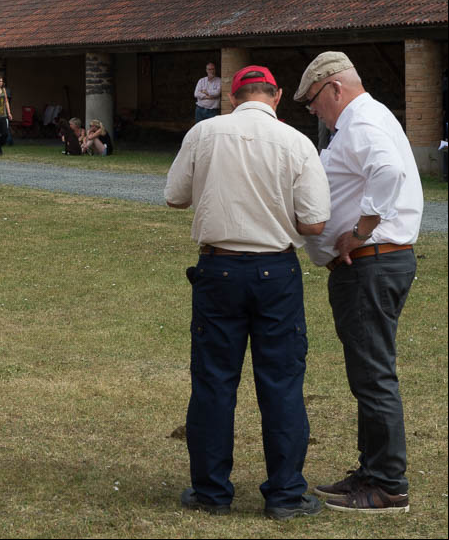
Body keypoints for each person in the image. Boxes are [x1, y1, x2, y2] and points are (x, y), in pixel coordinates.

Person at [165, 65, 331, 520]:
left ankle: (211, 492)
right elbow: (315, 222)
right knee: (281, 383)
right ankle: (284, 495)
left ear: (233, 98)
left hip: (218, 267)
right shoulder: (297, 142)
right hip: (274, 270)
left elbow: (175, 197)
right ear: (275, 96)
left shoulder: (205, 134)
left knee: (214, 381)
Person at [294, 52, 423, 514]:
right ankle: (371, 472)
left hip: (371, 259)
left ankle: (388, 485)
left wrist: (361, 229)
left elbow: (388, 171)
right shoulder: (361, 120)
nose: (312, 110)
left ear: (334, 88)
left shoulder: (362, 120)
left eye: (313, 100)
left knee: (373, 377)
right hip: (369, 263)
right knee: (368, 374)